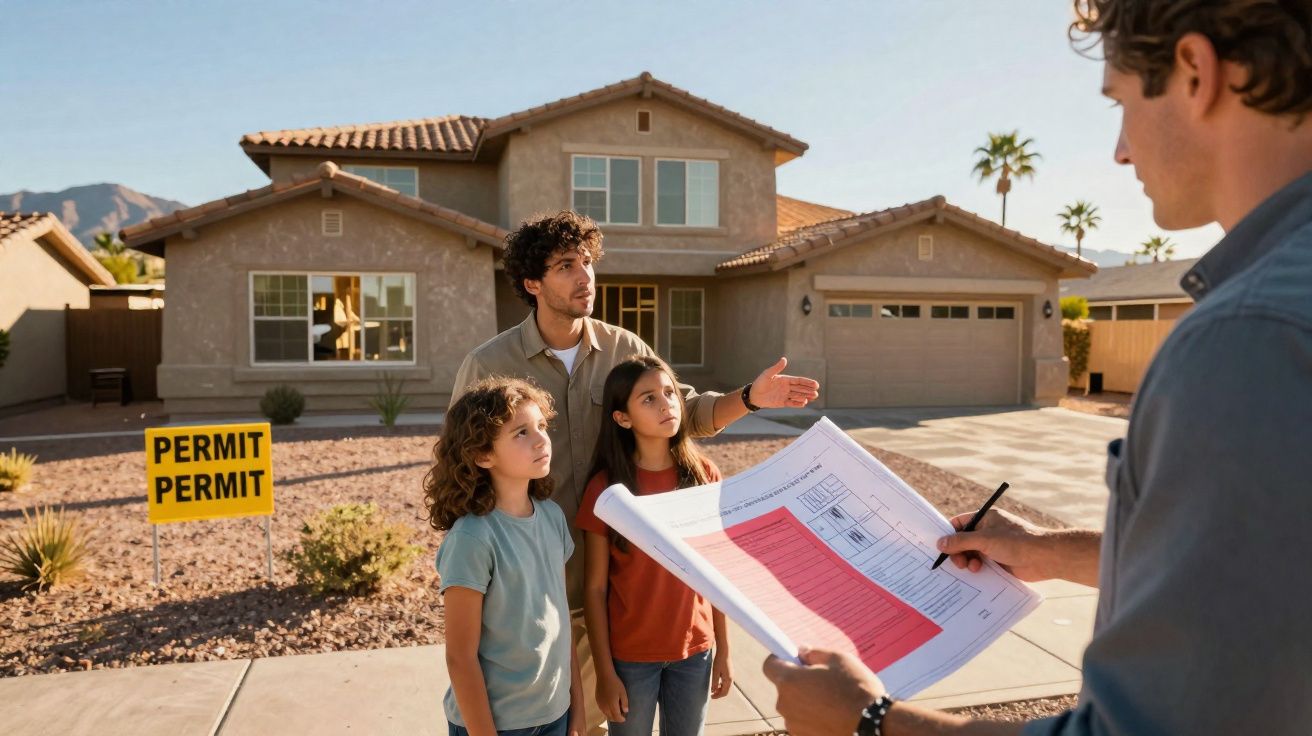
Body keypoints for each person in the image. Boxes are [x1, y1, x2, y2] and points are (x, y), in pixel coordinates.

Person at [762, 1, 1312, 734]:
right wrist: (1048, 552)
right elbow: (1262, 571)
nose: (1120, 150)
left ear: (1194, 70)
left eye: (1119, 102)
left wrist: (868, 722)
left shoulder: (1246, 341)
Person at [450, 210, 821, 729]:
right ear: (532, 283)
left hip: (620, 590)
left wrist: (750, 399)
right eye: (565, 266)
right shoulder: (489, 364)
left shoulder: (625, 348)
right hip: (537, 590)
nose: (585, 277)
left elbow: (684, 412)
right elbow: (463, 466)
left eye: (587, 263)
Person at [575, 356, 734, 736]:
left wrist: (724, 650)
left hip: (695, 652)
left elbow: (717, 571)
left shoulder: (703, 476)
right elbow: (595, 589)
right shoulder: (607, 489)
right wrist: (605, 673)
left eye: (670, 393)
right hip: (630, 659)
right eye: (648, 398)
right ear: (622, 418)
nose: (666, 404)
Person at [424, 378, 584, 736]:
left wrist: (577, 708)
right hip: (496, 726)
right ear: (482, 455)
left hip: (555, 714)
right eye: (521, 433)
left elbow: (560, 620)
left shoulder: (553, 518)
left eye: (542, 426)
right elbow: (460, 658)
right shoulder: (473, 538)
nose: (541, 439)